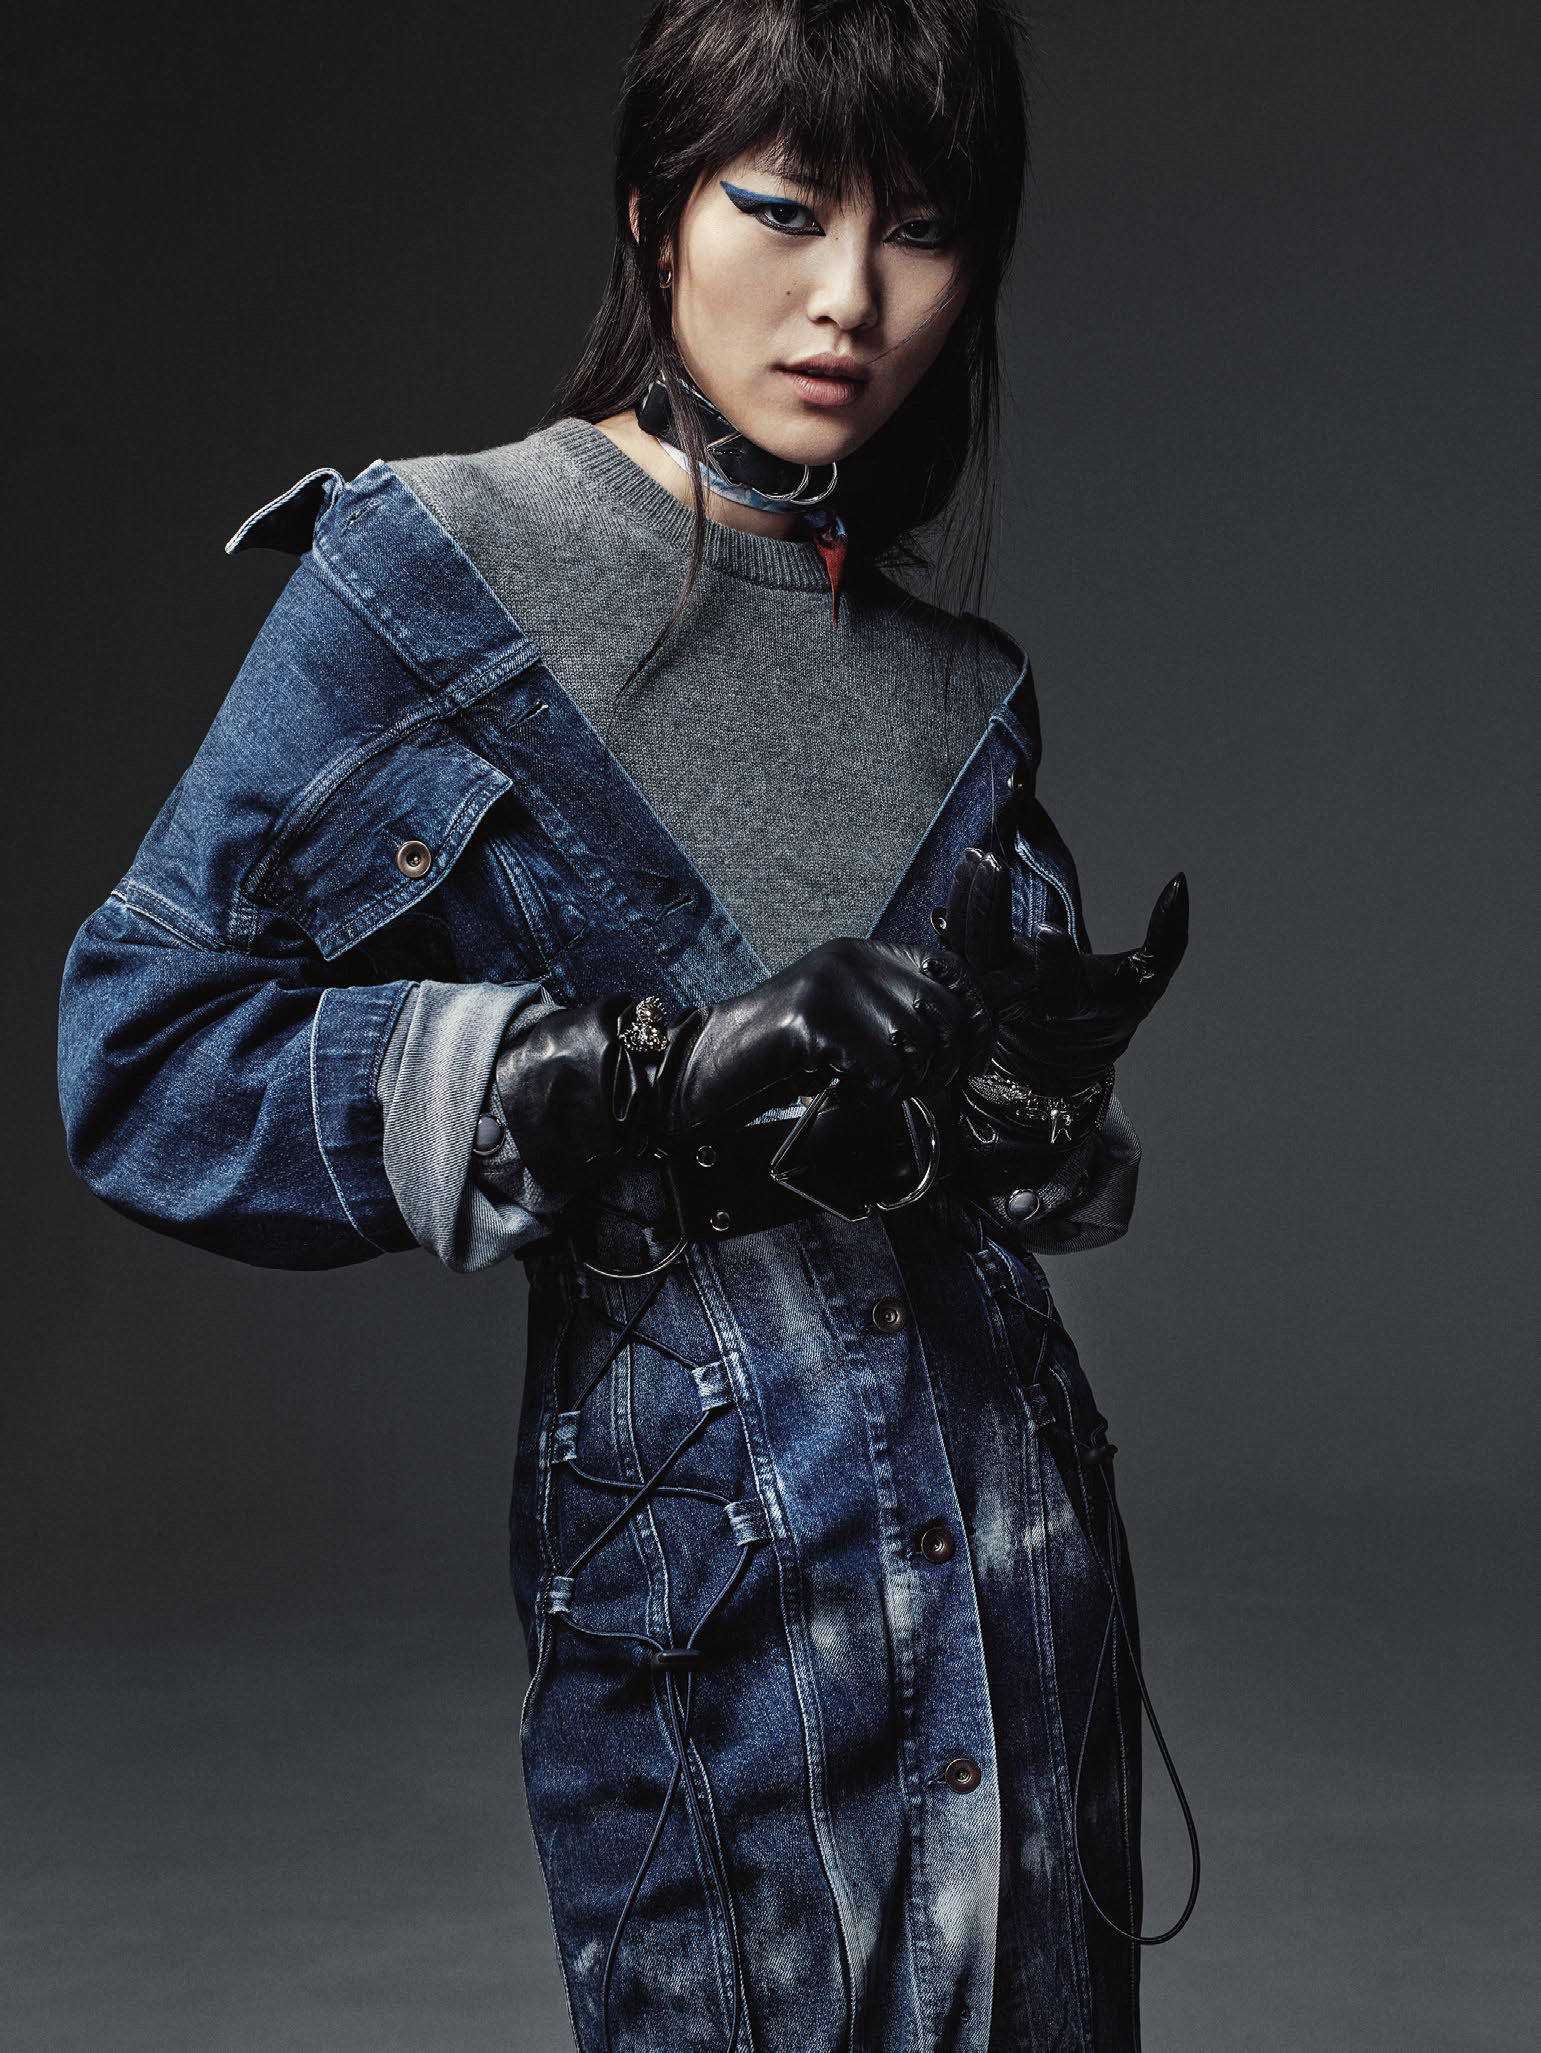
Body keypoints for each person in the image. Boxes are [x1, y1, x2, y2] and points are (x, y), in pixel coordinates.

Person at [56, 2, 1199, 2046]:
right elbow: (136, 1056)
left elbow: (1030, 1191)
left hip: (1019, 1581)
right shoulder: (438, 571)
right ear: (659, 206)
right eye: (786, 205)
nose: (849, 298)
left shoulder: (964, 695)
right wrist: (629, 1072)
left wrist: (1036, 1112)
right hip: (729, 1630)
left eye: (922, 231)